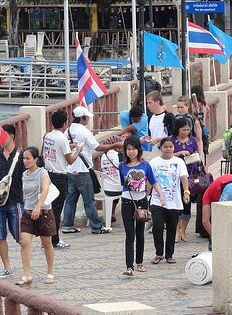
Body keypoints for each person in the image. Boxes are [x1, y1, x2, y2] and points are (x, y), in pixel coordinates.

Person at [62, 106, 119, 235]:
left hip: (70, 169)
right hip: (82, 170)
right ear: (82, 118)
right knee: (89, 200)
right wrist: (114, 145)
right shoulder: (84, 131)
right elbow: (97, 147)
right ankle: (96, 226)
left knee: (71, 199)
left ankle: (67, 225)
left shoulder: (68, 131)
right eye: (86, 117)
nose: (87, 119)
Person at [119, 137, 165, 276]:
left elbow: (153, 181)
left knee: (140, 233)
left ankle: (139, 262)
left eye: (133, 149)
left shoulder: (145, 165)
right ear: (125, 151)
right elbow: (123, 183)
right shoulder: (122, 165)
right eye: (128, 149)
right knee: (130, 234)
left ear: (138, 150)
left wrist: (160, 195)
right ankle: (129, 266)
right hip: (127, 201)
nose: (131, 152)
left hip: (142, 202)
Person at [0, 124, 25, 279]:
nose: (0, 139)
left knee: (22, 236)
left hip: (16, 200)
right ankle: (7, 267)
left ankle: (26, 267)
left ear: (11, 136)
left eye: (3, 135)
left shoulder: (22, 155)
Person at [42, 109, 84, 249]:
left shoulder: (48, 136)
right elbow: (71, 160)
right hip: (59, 176)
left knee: (48, 208)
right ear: (65, 122)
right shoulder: (61, 138)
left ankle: (46, 239)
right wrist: (78, 150)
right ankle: (55, 239)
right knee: (57, 209)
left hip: (48, 174)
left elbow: (50, 152)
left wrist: (68, 147)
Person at [16, 147, 55, 287]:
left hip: (43, 212)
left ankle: (50, 271)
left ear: (36, 159)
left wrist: (38, 206)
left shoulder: (42, 172)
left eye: (28, 158)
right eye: (24, 158)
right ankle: (27, 274)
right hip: (28, 212)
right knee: (24, 242)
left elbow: (45, 189)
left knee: (47, 243)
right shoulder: (24, 174)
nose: (25, 161)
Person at [149, 138, 190, 265]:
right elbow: (150, 181)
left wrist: (186, 192)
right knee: (158, 227)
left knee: (172, 228)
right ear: (160, 148)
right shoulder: (154, 162)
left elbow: (183, 178)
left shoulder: (179, 162)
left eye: (170, 146)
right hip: (157, 201)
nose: (168, 149)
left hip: (174, 201)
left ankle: (169, 254)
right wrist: (145, 196)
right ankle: (159, 253)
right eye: (165, 147)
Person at [171, 117, 200, 243]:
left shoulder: (192, 140)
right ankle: (176, 230)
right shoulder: (171, 141)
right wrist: (179, 153)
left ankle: (183, 231)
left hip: (189, 175)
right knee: (176, 204)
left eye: (188, 130)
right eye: (184, 130)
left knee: (186, 204)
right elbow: (166, 154)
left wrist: (196, 158)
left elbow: (197, 153)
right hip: (174, 176)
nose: (186, 132)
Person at [201, 174, 232, 239]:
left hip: (231, 188)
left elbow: (205, 220)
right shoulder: (213, 188)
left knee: (220, 217)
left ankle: (221, 240)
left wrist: (214, 236)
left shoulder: (206, 195)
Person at [191, 85, 211, 163]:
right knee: (205, 152)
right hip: (204, 128)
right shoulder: (205, 105)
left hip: (197, 129)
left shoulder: (195, 106)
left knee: (198, 147)